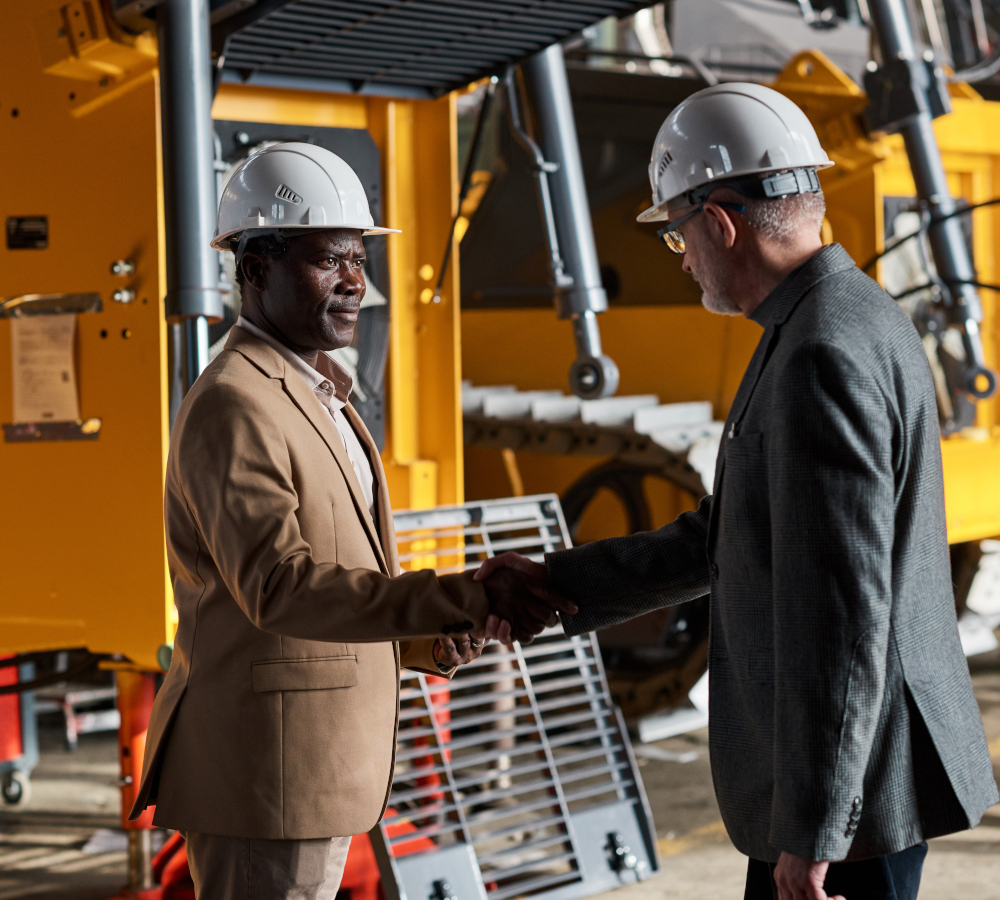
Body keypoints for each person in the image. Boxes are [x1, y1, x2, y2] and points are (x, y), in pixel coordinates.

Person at [477, 84, 999, 900]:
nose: (682, 257)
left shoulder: (819, 352)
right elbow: (733, 532)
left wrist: (815, 828)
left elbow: (843, 613)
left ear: (720, 223)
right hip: (860, 782)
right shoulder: (845, 314)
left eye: (678, 235)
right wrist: (557, 583)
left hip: (847, 804)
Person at [129, 143, 573, 900]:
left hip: (312, 766)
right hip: (266, 777)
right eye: (327, 259)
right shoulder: (236, 403)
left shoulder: (317, 390)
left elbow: (345, 569)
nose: (354, 281)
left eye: (359, 259)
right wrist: (461, 595)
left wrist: (429, 637)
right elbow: (280, 586)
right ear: (255, 268)